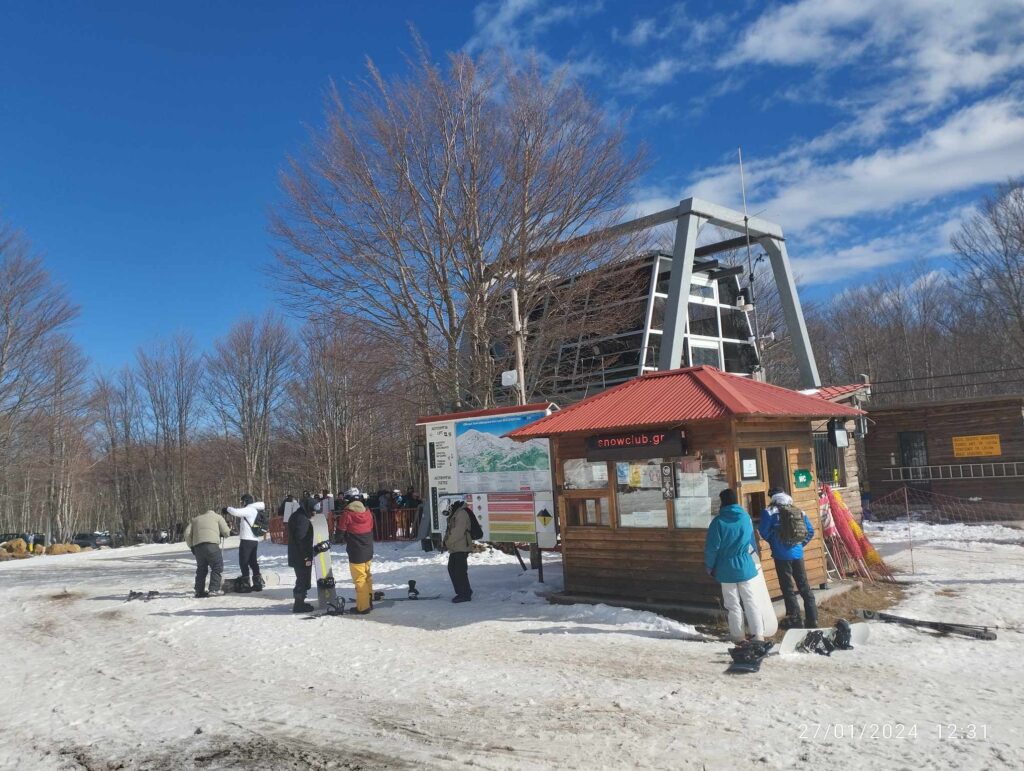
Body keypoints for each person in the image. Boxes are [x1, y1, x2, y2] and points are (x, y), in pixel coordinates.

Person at [704, 488, 765, 644]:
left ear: (722, 502)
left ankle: (738, 636)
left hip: (726, 566)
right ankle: (758, 634)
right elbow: (750, 539)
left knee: (733, 603)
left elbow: (712, 548)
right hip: (745, 564)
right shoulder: (745, 517)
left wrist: (709, 566)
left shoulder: (718, 522)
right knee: (750, 600)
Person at [759, 487, 818, 629]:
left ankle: (795, 619)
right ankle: (813, 619)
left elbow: (763, 531)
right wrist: (799, 544)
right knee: (804, 587)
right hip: (798, 554)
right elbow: (810, 531)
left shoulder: (769, 512)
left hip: (781, 555)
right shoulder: (798, 510)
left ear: (772, 497)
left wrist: (774, 542)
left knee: (788, 588)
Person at [337, 494, 375, 613]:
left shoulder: (347, 514)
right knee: (367, 576)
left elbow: (340, 530)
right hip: (368, 549)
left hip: (356, 551)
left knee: (360, 579)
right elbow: (370, 527)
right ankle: (369, 602)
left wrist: (340, 538)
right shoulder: (368, 512)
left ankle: (363, 607)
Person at [223, 493, 266, 593]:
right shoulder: (254, 509)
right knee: (252, 561)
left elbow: (236, 512)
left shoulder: (249, 509)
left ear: (246, 501)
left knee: (244, 562)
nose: (241, 503)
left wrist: (227, 509)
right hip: (253, 540)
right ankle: (257, 583)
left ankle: (245, 585)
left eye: (242, 501)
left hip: (247, 540)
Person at [184, 509, 230, 598]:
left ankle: (199, 591)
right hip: (211, 545)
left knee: (201, 569)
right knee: (217, 566)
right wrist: (224, 533)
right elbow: (226, 532)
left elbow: (186, 533)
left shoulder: (195, 519)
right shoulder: (218, 517)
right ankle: (214, 589)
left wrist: (192, 546)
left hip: (198, 547)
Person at [288, 496, 315, 613]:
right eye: (313, 510)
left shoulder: (298, 515)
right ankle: (299, 605)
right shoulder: (302, 519)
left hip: (296, 553)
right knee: (303, 579)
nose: (314, 513)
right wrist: (307, 555)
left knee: (301, 578)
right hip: (301, 554)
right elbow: (301, 538)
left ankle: (300, 602)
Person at [444, 500, 474, 603]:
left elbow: (458, 532)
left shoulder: (461, 513)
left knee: (459, 571)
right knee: (454, 569)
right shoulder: (456, 512)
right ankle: (464, 591)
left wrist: (447, 542)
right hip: (456, 547)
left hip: (461, 546)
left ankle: (464, 594)